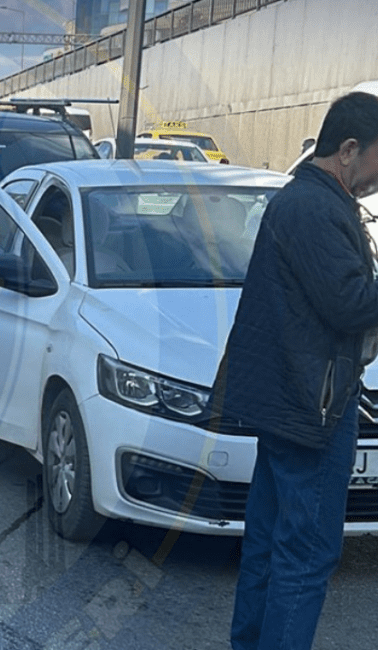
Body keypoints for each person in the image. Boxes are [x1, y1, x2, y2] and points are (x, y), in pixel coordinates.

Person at [212, 91, 378, 650]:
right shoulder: (315, 207)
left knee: (270, 545)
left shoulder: (309, 200)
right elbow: (350, 303)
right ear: (348, 150)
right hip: (312, 411)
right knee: (305, 556)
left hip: (292, 403)